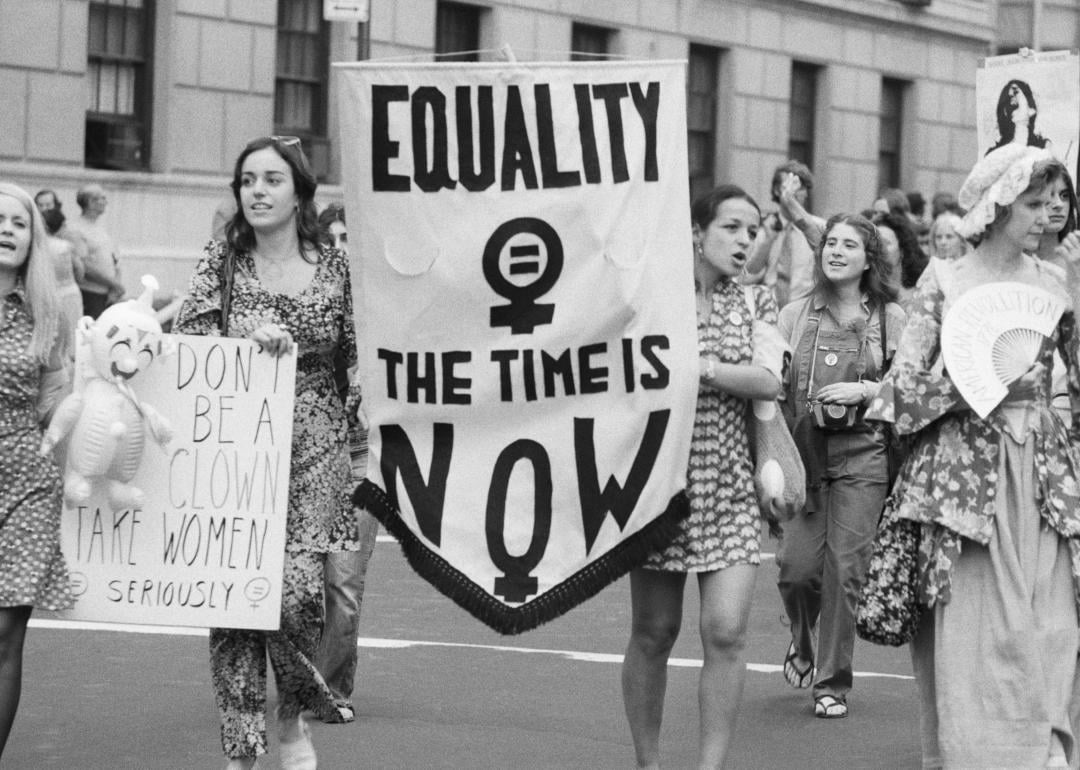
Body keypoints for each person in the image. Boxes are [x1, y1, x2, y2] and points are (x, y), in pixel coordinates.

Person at [867, 145, 1080, 767]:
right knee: (979, 645)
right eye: (1034, 204)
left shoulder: (1055, 281)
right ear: (997, 205)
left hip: (1045, 478)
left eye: (1055, 203)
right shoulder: (946, 278)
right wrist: (971, 390)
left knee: (1053, 634)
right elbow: (896, 394)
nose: (1050, 215)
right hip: (963, 485)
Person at [174, 136, 360, 769]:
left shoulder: (336, 268)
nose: (257, 190)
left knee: (298, 595)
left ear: (300, 192)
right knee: (233, 600)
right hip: (235, 445)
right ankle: (242, 751)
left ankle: (289, 720)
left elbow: (361, 359)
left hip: (316, 447)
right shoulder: (220, 264)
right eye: (247, 180)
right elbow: (187, 341)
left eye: (272, 180)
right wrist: (244, 344)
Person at [621, 184, 782, 769]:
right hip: (659, 484)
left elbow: (769, 380)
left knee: (726, 632)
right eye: (732, 227)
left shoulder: (758, 302)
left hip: (732, 484)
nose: (745, 240)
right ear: (696, 232)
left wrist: (702, 367)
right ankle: (649, 763)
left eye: (754, 230)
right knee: (654, 632)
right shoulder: (653, 297)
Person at [774, 213, 907, 720]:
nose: (835, 251)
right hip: (803, 451)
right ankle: (801, 641)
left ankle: (831, 681)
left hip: (865, 453)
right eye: (830, 242)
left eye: (849, 244)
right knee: (796, 571)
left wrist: (866, 389)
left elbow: (913, 385)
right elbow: (773, 383)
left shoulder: (892, 318)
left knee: (844, 571)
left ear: (869, 259)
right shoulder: (794, 313)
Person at [0, 182, 73, 759]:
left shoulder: (49, 312)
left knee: (5, 633)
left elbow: (53, 398)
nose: (7, 229)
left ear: (33, 239)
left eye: (19, 223)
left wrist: (89, 398)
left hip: (27, 477)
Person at [310, 201, 379, 725]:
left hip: (363, 457)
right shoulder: (306, 304)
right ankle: (305, 673)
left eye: (348, 239)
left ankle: (331, 689)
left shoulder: (384, 313)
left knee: (345, 585)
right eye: (331, 239)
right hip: (307, 456)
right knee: (302, 585)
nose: (340, 250)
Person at [744, 160, 820, 307]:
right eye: (788, 186)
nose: (794, 192)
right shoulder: (762, 227)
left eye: (800, 187)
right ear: (777, 190)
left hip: (805, 311)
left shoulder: (819, 227)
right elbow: (748, 274)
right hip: (768, 310)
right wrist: (768, 240)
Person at [67, 183, 124, 318]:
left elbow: (114, 259)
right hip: (89, 295)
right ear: (91, 202)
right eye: (102, 198)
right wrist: (115, 284)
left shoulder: (100, 227)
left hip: (106, 294)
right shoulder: (75, 229)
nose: (106, 202)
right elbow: (84, 266)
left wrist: (115, 287)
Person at [34, 193, 86, 337]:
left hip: (44, 292)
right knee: (70, 331)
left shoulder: (37, 246)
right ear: (60, 226)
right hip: (68, 292)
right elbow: (79, 271)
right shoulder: (66, 247)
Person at [872, 210, 926, 306]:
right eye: (876, 243)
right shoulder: (864, 291)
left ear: (902, 250)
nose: (880, 249)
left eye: (885, 243)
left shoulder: (920, 291)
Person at [987, 79, 1050, 155]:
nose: (1011, 95)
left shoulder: (1044, 149)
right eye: (1007, 101)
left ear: (1031, 110)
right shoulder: (993, 154)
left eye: (1016, 92)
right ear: (1005, 112)